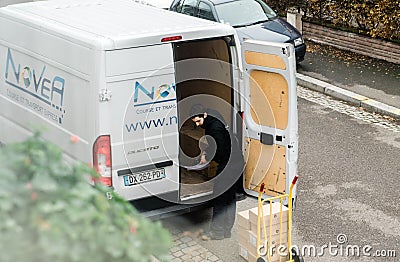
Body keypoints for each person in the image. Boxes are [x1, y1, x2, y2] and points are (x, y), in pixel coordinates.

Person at [190, 104, 242, 240]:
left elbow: (221, 150)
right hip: (235, 161)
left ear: (204, 115)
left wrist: (207, 157)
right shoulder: (213, 115)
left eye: (198, 121)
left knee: (219, 197)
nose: (197, 125)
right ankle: (226, 231)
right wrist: (205, 153)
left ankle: (217, 232)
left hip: (229, 164)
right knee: (229, 198)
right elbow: (216, 143)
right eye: (194, 122)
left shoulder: (215, 128)